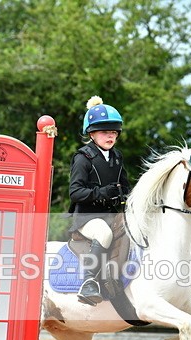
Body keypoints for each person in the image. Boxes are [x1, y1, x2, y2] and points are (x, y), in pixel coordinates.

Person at [68, 96, 131, 305]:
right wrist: (102, 192)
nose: (110, 136)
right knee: (104, 233)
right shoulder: (82, 158)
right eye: (105, 132)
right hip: (87, 218)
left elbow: (126, 186)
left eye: (114, 132)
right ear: (92, 134)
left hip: (111, 215)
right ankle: (88, 283)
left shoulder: (117, 157)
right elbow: (75, 192)